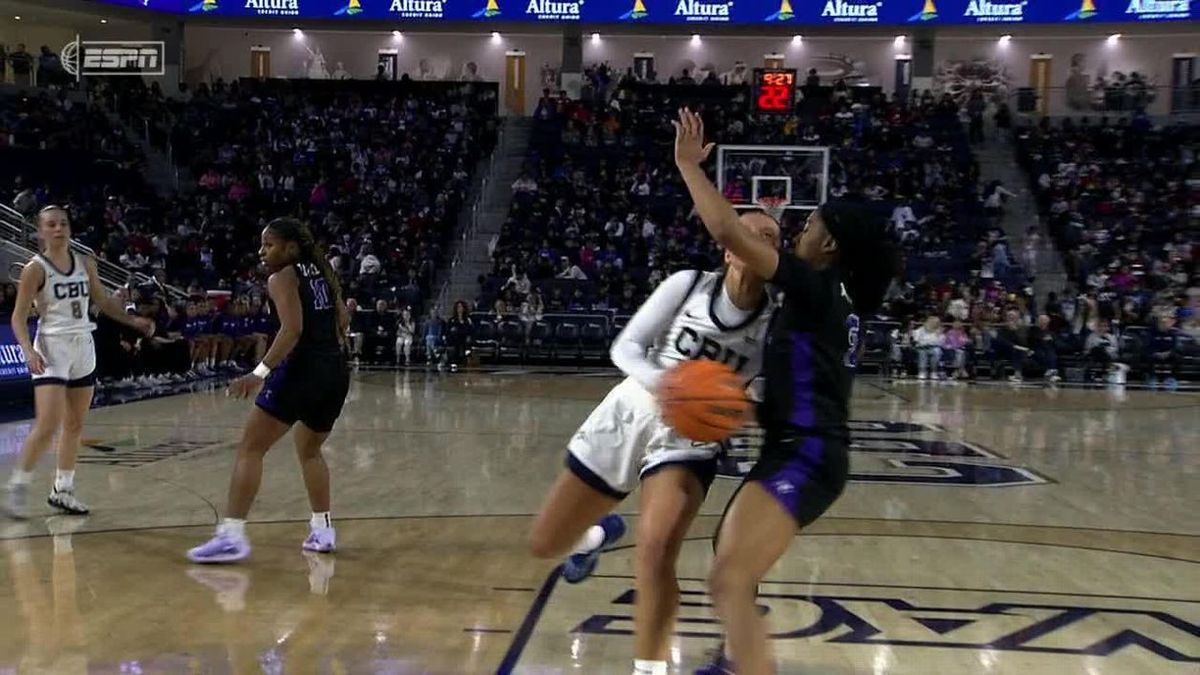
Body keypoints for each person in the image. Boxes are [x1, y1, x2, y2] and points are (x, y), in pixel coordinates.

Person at [672, 109, 901, 675]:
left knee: (728, 579)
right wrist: (734, 404)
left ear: (830, 246)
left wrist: (687, 166)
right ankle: (737, 663)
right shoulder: (827, 297)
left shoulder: (817, 287)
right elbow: (808, 386)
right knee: (730, 567)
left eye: (813, 225)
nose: (801, 230)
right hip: (796, 444)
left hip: (809, 452)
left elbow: (728, 231)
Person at [529, 211, 778, 675]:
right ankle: (596, 536)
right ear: (727, 245)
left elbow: (771, 396)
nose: (758, 242)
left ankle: (649, 668)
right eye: (750, 232)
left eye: (770, 238)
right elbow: (625, 349)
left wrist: (737, 405)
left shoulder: (775, 324)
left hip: (689, 439)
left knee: (657, 546)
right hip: (631, 410)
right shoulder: (687, 286)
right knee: (545, 543)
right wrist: (673, 387)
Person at [187, 218, 351, 564]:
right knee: (310, 452)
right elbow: (342, 322)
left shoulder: (283, 277)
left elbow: (292, 330)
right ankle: (322, 531)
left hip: (303, 369)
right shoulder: (324, 276)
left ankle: (231, 536)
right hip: (335, 371)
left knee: (251, 448)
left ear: (290, 247)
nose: (262, 252)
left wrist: (258, 372)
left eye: (269, 245)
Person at [4, 206, 155, 519]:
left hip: (83, 346)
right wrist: (27, 351)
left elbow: (100, 302)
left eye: (63, 223)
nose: (59, 229)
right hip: (51, 347)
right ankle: (17, 487)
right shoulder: (35, 268)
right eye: (51, 225)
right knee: (47, 425)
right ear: (41, 231)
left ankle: (63, 490)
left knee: (74, 424)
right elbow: (18, 317)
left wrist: (133, 320)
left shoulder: (86, 263)